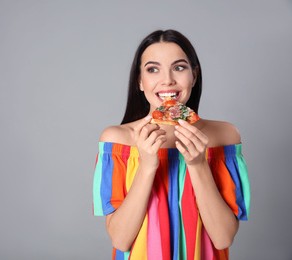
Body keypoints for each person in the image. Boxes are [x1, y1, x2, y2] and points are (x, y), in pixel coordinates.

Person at [93, 30, 250, 260]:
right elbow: (120, 239)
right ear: (139, 81)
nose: (167, 80)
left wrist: (197, 165)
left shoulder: (225, 135)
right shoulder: (116, 140)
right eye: (153, 69)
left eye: (179, 67)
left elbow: (223, 238)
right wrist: (147, 166)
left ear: (194, 76)